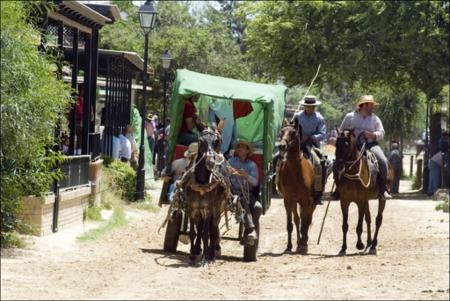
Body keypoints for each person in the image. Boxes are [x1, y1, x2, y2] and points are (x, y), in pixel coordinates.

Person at [336, 94, 392, 200]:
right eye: (371, 105)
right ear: (363, 105)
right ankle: (338, 188)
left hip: (370, 145)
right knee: (338, 160)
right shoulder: (349, 117)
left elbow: (382, 132)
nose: (373, 107)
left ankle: (383, 189)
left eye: (372, 105)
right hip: (352, 146)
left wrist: (373, 135)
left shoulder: (375, 119)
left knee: (383, 160)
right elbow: (341, 131)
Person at [292, 95, 327, 205]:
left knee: (321, 163)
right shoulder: (297, 116)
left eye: (311, 106)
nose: (309, 108)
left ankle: (318, 192)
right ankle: (278, 185)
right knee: (279, 158)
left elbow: (322, 134)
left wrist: (310, 137)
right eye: (307, 106)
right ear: (304, 106)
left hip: (312, 145)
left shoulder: (319, 118)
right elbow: (291, 128)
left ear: (315, 107)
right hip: (296, 144)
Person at [228, 140, 261, 244]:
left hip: (246, 194)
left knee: (257, 207)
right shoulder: (230, 162)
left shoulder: (252, 165)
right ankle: (250, 229)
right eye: (238, 147)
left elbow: (255, 182)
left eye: (242, 147)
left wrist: (246, 175)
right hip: (230, 193)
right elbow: (222, 175)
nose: (240, 149)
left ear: (247, 151)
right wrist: (228, 172)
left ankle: (249, 232)